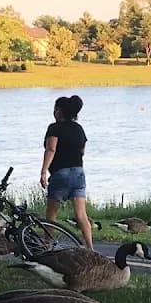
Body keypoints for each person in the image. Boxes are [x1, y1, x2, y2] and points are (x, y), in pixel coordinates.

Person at [40, 94, 94, 249]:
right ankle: (90, 249)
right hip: (78, 173)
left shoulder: (54, 128)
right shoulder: (79, 129)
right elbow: (82, 151)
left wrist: (44, 172)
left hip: (60, 174)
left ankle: (46, 246)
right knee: (81, 215)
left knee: (51, 215)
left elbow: (51, 149)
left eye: (54, 110)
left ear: (59, 111)